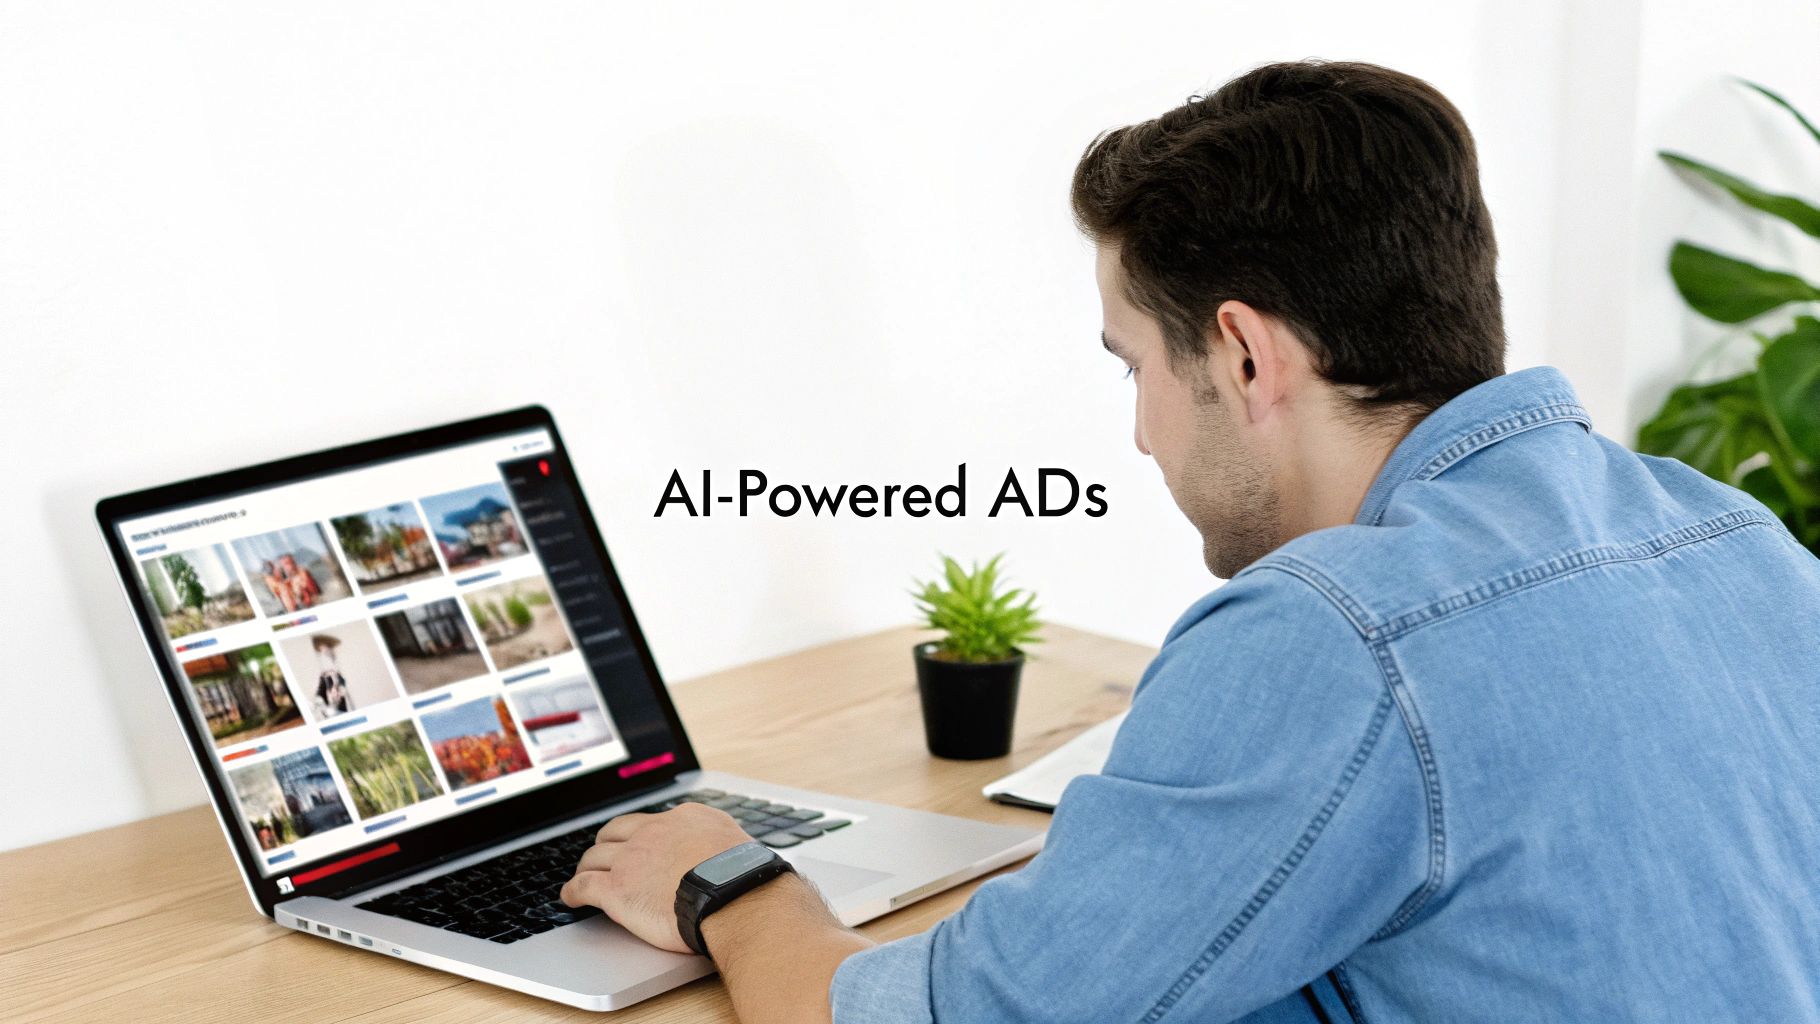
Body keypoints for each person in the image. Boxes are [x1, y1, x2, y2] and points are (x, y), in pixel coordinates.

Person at [558, 60, 1820, 1022]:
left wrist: (731, 884)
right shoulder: (1734, 536)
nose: (1139, 435)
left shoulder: (1335, 629)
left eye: (1133, 367)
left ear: (1244, 354)